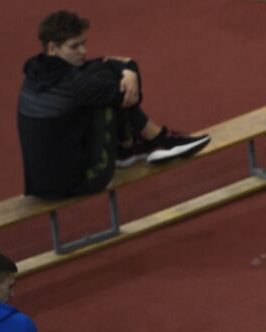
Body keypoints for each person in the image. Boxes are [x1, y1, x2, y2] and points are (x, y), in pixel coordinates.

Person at [18, 10, 211, 199]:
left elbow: (99, 64)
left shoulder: (35, 73)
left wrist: (128, 71)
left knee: (102, 79)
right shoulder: (75, 84)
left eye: (84, 44)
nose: (83, 51)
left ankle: (133, 148)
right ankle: (157, 141)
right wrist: (130, 70)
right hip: (79, 183)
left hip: (40, 185)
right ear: (53, 48)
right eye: (75, 46)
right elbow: (131, 97)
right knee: (109, 93)